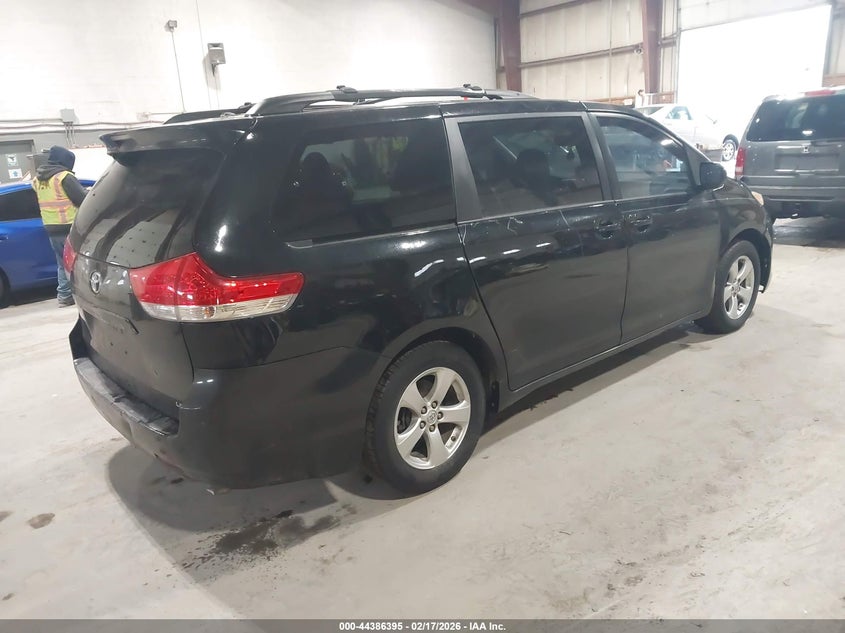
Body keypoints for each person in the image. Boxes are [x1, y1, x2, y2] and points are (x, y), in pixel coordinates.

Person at [31, 146, 87, 307]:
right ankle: (84, 296)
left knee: (62, 263)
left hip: (50, 226)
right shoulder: (64, 177)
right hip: (68, 225)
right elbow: (81, 199)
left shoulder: (38, 179)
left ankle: (64, 296)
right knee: (79, 262)